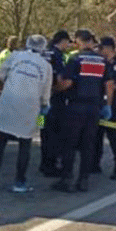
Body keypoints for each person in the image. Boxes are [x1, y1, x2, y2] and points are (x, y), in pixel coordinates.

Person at [0, 35, 54, 193]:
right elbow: (45, 93)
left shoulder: (15, 56)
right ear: (43, 48)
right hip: (30, 108)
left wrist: (7, 85)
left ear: (27, 44)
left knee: (0, 143)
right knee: (25, 145)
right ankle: (19, 182)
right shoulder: (45, 66)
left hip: (8, 102)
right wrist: (42, 116)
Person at [51, 30, 114, 193]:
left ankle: (66, 179)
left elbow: (67, 83)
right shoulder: (102, 61)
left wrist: (53, 91)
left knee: (70, 143)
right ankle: (83, 180)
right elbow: (109, 85)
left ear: (79, 41)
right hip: (94, 108)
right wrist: (108, 105)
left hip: (75, 107)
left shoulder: (75, 58)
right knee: (88, 144)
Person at [39, 30, 73, 178]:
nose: (68, 45)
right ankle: (51, 166)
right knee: (55, 135)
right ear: (63, 41)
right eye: (68, 42)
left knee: (43, 131)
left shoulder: (44, 53)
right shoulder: (57, 56)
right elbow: (59, 79)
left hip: (39, 103)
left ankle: (43, 163)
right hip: (55, 103)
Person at [95, 36, 116, 180]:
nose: (99, 51)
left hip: (113, 107)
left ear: (109, 49)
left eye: (101, 48)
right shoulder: (99, 63)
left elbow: (114, 84)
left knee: (115, 138)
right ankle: (94, 164)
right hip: (98, 105)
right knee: (96, 137)